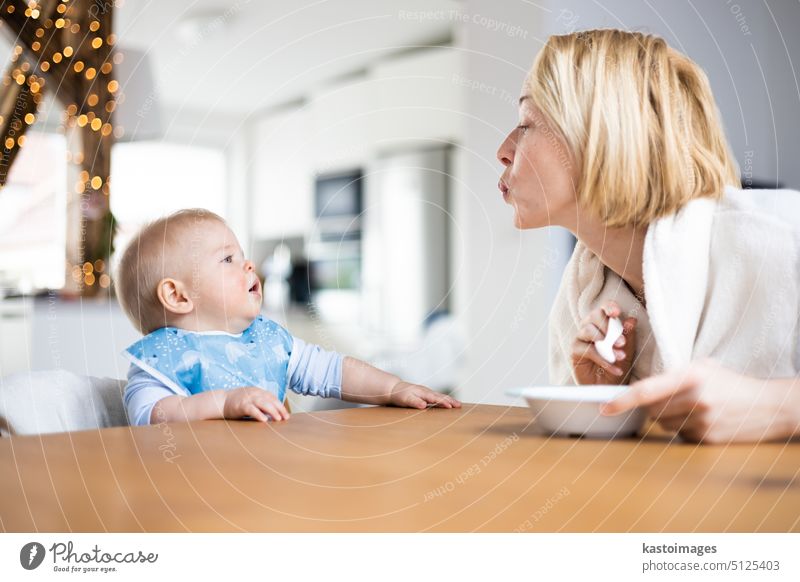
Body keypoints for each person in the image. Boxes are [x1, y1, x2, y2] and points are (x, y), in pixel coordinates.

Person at [495, 29, 800, 442]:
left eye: (526, 122)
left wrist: (781, 407)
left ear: (602, 133)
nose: (504, 149)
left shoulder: (783, 238)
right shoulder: (584, 298)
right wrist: (604, 399)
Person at [115, 209, 460, 426]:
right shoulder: (163, 358)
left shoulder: (266, 340)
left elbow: (333, 371)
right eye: (227, 260)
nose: (249, 265)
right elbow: (148, 417)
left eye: (243, 255)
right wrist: (225, 402)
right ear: (178, 296)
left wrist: (393, 387)